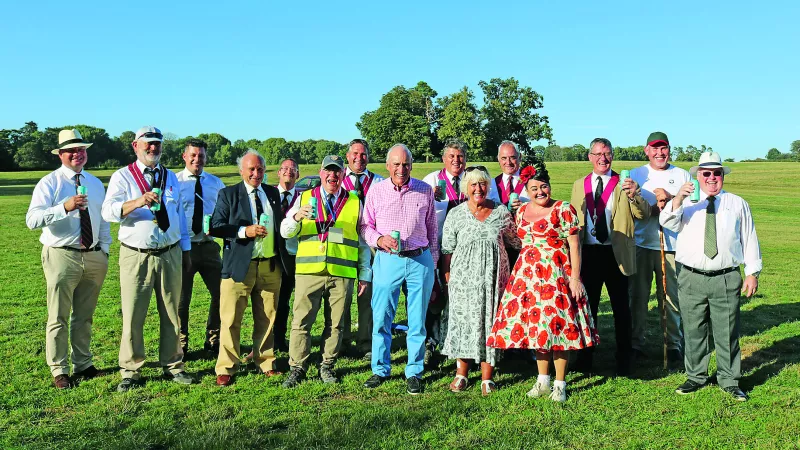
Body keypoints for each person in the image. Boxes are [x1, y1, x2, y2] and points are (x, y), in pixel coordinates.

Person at [489, 162, 598, 402]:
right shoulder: (520, 212)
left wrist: (576, 278)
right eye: (534, 188)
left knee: (559, 329)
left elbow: (575, 246)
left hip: (557, 275)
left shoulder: (564, 209)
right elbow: (517, 241)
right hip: (528, 278)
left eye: (544, 186)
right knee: (538, 329)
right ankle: (542, 381)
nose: (540, 192)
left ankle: (560, 384)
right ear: (526, 190)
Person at [661, 151, 761, 402]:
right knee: (693, 329)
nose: (712, 178)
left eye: (717, 173)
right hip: (691, 277)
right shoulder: (685, 201)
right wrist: (678, 198)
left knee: (727, 331)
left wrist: (752, 272)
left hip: (726, 277)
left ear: (722, 176)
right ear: (699, 176)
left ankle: (729, 380)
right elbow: (667, 223)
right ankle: (695, 376)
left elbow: (749, 238)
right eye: (706, 173)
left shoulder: (737, 203)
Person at [102, 126, 193, 392]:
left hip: (170, 252)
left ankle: (173, 365)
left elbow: (179, 217)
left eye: (157, 143)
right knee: (133, 315)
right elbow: (108, 212)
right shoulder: (122, 177)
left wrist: (185, 250)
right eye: (148, 143)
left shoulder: (170, 177)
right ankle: (131, 370)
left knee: (171, 313)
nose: (153, 148)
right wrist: (138, 201)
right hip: (136, 255)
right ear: (135, 145)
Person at [26, 129, 111, 389]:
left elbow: (103, 219)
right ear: (61, 154)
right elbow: (32, 220)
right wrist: (64, 207)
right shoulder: (49, 183)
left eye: (82, 149)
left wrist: (104, 249)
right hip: (61, 255)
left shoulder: (95, 183)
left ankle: (83, 364)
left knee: (84, 316)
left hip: (93, 255)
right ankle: (59, 369)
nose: (78, 154)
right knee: (59, 316)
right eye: (72, 150)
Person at [280, 155, 372, 387]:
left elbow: (361, 243)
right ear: (321, 173)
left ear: (343, 174)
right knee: (301, 321)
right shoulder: (304, 197)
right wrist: (296, 217)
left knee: (337, 323)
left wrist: (364, 273)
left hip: (341, 272)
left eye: (337, 171)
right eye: (328, 171)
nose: (332, 176)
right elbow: (285, 232)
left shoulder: (354, 201)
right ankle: (297, 367)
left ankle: (327, 365)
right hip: (309, 271)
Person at [360, 144, 438, 395]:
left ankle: (414, 370)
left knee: (417, 320)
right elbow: (364, 226)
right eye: (396, 164)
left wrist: (433, 267)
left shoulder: (424, 190)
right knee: (382, 316)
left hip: (419, 260)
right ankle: (380, 368)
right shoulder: (376, 191)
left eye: (405, 164)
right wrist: (379, 240)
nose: (401, 169)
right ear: (387, 166)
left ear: (412, 165)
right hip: (387, 260)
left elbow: (432, 231)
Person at [209, 149, 290, 386]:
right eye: (252, 169)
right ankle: (226, 367)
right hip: (239, 267)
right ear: (241, 170)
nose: (256, 173)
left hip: (269, 266)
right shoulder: (229, 194)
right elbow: (216, 227)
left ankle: (266, 362)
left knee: (267, 318)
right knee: (231, 318)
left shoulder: (273, 193)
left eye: (260, 169)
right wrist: (244, 231)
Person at [569, 138, 649, 376]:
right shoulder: (578, 184)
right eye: (598, 154)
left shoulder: (623, 184)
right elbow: (572, 219)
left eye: (607, 153)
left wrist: (635, 195)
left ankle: (624, 359)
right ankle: (585, 358)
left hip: (617, 254)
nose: (602, 158)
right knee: (588, 308)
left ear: (612, 156)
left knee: (621, 310)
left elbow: (643, 214)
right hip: (589, 253)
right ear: (589, 157)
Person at [440, 166, 520, 396]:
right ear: (466, 188)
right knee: (464, 322)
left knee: (490, 322)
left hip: (494, 281)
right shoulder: (456, 213)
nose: (478, 189)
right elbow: (447, 250)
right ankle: (461, 374)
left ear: (488, 186)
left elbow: (517, 241)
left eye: (482, 184)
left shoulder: (501, 212)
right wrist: (447, 277)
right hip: (463, 281)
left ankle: (487, 378)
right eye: (473, 184)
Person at [628, 132, 690, 370]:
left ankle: (674, 344)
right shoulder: (637, 174)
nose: (659, 153)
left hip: (672, 247)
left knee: (671, 298)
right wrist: (655, 208)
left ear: (669, 150)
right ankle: (636, 343)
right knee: (639, 298)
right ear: (647, 151)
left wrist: (671, 198)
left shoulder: (681, 174)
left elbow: (691, 205)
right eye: (654, 149)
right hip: (643, 244)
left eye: (663, 148)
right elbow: (630, 208)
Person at [176, 138, 226, 356]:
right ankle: (181, 343)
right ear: (184, 156)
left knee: (222, 292)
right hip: (182, 247)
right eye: (193, 155)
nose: (198, 159)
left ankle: (213, 339)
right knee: (181, 299)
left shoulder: (215, 183)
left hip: (208, 246)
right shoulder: (175, 181)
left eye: (201, 156)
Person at [421, 138, 468, 364]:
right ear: (444, 159)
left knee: (461, 297)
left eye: (460, 156)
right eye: (451, 156)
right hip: (437, 247)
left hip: (465, 251)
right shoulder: (431, 180)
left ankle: (459, 341)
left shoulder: (473, 180)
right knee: (434, 295)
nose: (456, 161)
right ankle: (430, 341)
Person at [341, 139, 384, 358]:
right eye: (355, 154)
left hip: (372, 243)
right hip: (346, 243)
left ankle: (366, 341)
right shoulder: (337, 180)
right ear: (347, 156)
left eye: (364, 154)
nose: (359, 158)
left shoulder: (378, 182)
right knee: (344, 292)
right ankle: (344, 339)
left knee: (368, 293)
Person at [274, 158, 301, 352]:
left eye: (293, 170)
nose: (288, 172)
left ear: (298, 175)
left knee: (293, 300)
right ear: (278, 172)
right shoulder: (268, 194)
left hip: (295, 256)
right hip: (272, 255)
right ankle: (271, 340)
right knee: (272, 301)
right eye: (284, 168)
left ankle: (286, 339)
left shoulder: (304, 198)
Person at [487, 140, 528, 270]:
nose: (508, 162)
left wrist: (525, 207)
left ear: (520, 157)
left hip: (526, 243)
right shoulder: (491, 184)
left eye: (512, 158)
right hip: (500, 246)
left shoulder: (531, 182)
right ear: (498, 159)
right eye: (504, 158)